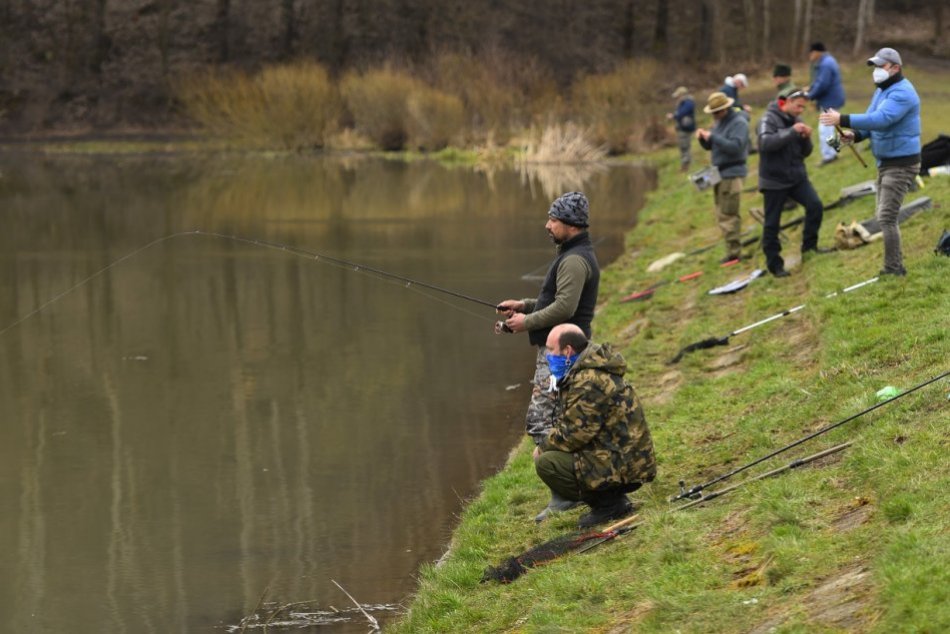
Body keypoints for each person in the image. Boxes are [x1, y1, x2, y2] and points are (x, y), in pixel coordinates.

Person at [495, 191, 601, 521]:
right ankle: (571, 488)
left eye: (552, 220)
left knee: (543, 422)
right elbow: (555, 299)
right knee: (551, 421)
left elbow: (566, 308)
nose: (547, 225)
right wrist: (524, 306)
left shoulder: (573, 260)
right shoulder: (571, 254)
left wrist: (526, 322)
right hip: (559, 349)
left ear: (569, 224)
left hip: (563, 352)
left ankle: (568, 492)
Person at [532, 324, 656, 528]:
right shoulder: (588, 370)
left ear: (568, 351)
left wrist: (543, 446)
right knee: (554, 454)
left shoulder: (588, 380)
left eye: (551, 349)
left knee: (547, 462)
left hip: (626, 463)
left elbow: (573, 434)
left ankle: (609, 505)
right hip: (624, 455)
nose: (547, 355)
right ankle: (611, 499)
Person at [820, 47, 921, 277]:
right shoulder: (882, 91)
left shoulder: (903, 93)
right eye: (875, 66)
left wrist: (841, 118)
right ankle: (894, 267)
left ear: (895, 68)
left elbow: (882, 119)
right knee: (884, 216)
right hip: (886, 162)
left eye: (880, 66)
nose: (876, 71)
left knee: (886, 217)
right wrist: (854, 135)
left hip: (902, 163)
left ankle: (894, 269)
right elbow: (870, 123)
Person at [757, 86, 830, 277]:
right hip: (773, 181)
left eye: (802, 108)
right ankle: (775, 265)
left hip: (797, 178)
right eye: (798, 106)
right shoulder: (768, 119)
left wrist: (806, 138)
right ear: (786, 102)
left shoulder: (797, 120)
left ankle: (809, 248)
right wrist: (792, 131)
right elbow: (765, 144)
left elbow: (806, 152)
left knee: (815, 206)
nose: (800, 111)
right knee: (772, 224)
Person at [696, 91, 750, 263]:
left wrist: (713, 137)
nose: (714, 116)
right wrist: (704, 140)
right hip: (719, 174)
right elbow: (714, 145)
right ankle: (732, 250)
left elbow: (735, 147)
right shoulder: (719, 122)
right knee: (722, 213)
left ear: (725, 109)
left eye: (716, 112)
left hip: (731, 174)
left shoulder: (739, 123)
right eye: (712, 113)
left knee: (728, 214)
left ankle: (734, 253)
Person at [806, 42, 846, 166]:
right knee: (828, 129)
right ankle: (832, 152)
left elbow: (822, 84)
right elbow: (819, 81)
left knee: (825, 130)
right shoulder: (828, 61)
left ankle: (829, 156)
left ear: (817, 52)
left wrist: (809, 95)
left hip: (830, 100)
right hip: (831, 99)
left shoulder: (825, 64)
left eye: (810, 53)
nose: (810, 57)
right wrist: (810, 88)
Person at [668, 86, 696, 172]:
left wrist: (673, 116)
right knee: (683, 147)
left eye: (678, 96)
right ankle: (686, 164)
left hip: (685, 128)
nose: (677, 98)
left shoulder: (688, 103)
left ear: (682, 95)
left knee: (684, 146)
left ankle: (685, 167)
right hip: (682, 128)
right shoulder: (684, 102)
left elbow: (682, 113)